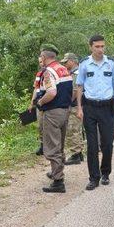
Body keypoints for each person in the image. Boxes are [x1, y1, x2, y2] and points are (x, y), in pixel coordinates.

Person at [76, 35, 114, 191]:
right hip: (89, 107)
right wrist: (79, 108)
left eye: (102, 46)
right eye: (97, 46)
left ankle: (105, 173)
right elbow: (79, 87)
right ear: (91, 47)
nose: (100, 49)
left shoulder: (110, 63)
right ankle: (93, 178)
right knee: (91, 145)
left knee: (107, 144)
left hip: (107, 107)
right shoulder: (84, 64)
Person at [36, 44, 73, 193]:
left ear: (44, 57)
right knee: (60, 144)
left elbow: (51, 92)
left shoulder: (48, 71)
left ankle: (58, 180)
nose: (40, 59)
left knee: (52, 147)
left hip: (52, 112)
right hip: (65, 110)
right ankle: (56, 172)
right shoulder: (64, 69)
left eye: (40, 56)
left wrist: (40, 102)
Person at [60, 52, 84, 165]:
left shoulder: (76, 73)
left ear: (72, 61)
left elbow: (75, 90)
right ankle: (79, 153)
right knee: (75, 129)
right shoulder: (74, 72)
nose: (64, 64)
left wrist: (67, 103)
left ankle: (76, 154)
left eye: (66, 62)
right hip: (76, 104)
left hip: (74, 105)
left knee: (72, 129)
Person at [29, 53, 46, 156]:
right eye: (40, 62)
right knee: (40, 125)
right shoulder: (39, 74)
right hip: (39, 103)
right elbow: (36, 88)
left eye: (42, 61)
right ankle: (43, 146)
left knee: (50, 126)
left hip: (49, 102)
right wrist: (32, 102)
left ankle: (51, 146)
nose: (41, 64)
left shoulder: (52, 72)